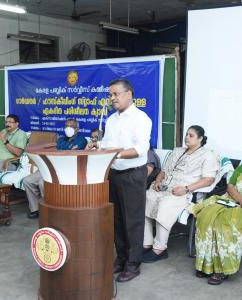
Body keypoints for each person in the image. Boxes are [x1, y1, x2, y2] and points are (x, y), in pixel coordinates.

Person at [87, 78, 152, 282]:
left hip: (133, 175)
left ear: (129, 94)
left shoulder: (142, 119)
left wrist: (115, 154)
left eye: (116, 94)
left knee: (133, 221)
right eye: (110, 94)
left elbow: (140, 149)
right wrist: (97, 146)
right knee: (116, 219)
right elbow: (107, 143)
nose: (112, 98)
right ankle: (122, 258)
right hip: (113, 174)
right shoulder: (112, 119)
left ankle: (133, 264)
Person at [143, 125, 219, 263]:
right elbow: (164, 171)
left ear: (200, 138)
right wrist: (158, 182)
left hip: (186, 192)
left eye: (191, 136)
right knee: (146, 197)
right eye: (186, 134)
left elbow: (209, 180)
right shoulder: (178, 151)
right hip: (166, 187)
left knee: (164, 204)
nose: (186, 138)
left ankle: (160, 249)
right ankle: (146, 243)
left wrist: (186, 188)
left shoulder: (208, 155)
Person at [24, 118, 87, 219]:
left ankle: (49, 211)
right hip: (50, 167)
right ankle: (35, 209)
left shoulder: (81, 140)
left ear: (77, 129)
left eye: (71, 126)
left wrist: (64, 151)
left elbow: (69, 154)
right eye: (66, 126)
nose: (68, 128)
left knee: (42, 183)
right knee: (27, 181)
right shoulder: (61, 139)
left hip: (65, 170)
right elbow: (61, 152)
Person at [193, 164, 242, 285]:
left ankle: (222, 269)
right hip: (232, 200)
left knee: (225, 224)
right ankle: (207, 265)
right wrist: (240, 199)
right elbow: (230, 186)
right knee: (205, 217)